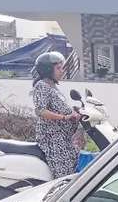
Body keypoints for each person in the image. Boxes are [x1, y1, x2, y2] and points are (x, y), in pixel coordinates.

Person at [31, 51, 83, 179]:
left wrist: (74, 111)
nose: (62, 71)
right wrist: (66, 117)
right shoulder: (42, 86)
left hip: (64, 138)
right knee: (63, 176)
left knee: (71, 170)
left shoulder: (53, 87)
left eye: (62, 67)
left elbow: (57, 108)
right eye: (58, 68)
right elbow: (41, 111)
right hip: (53, 138)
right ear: (48, 70)